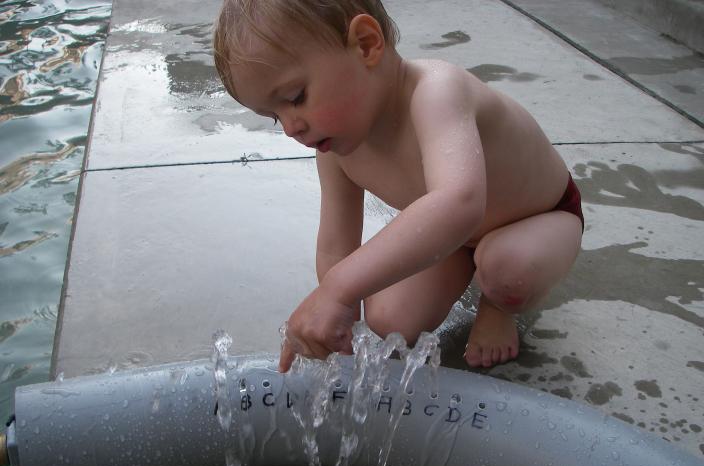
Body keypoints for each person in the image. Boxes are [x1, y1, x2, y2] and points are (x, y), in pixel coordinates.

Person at [213, 0, 584, 373]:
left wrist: (340, 287)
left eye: (296, 98)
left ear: (366, 44)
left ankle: (498, 307)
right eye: (275, 117)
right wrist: (339, 313)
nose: (291, 127)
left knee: (508, 268)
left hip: (540, 217)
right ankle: (470, 262)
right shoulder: (336, 147)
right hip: (458, 237)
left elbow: (459, 201)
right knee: (391, 319)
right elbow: (335, 247)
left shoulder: (437, 92)